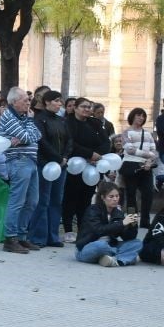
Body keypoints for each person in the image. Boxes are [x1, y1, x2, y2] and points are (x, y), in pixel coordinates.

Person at [0, 87, 42, 254]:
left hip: (30, 160)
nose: (28, 103)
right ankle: (10, 238)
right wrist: (29, 125)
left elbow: (37, 136)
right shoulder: (9, 116)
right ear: (14, 102)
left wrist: (25, 135)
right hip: (18, 161)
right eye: (25, 100)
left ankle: (22, 237)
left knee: (32, 201)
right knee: (17, 201)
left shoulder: (23, 117)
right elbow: (28, 137)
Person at [64, 98, 110, 243]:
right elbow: (71, 143)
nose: (87, 109)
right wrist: (89, 154)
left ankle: (83, 229)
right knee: (71, 198)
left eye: (89, 107)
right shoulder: (68, 122)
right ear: (75, 108)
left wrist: (97, 155)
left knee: (86, 198)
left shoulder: (95, 122)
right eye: (83, 106)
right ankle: (68, 229)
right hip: (75, 165)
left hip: (93, 167)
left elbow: (106, 142)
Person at [31, 90, 69, 248]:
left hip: (61, 166)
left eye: (60, 101)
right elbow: (42, 142)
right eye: (56, 101)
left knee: (56, 200)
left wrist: (65, 156)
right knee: (43, 200)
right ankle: (39, 237)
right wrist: (58, 158)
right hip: (45, 164)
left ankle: (53, 236)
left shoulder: (62, 120)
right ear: (47, 102)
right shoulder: (39, 120)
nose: (59, 104)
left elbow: (70, 140)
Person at [75, 183, 143, 267]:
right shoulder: (92, 210)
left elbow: (128, 237)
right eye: (111, 197)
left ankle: (114, 260)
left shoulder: (118, 213)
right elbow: (98, 230)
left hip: (109, 246)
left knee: (137, 243)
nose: (115, 199)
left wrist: (133, 224)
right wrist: (122, 223)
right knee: (100, 245)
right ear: (103, 197)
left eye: (117, 196)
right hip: (88, 248)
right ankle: (125, 257)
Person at [119, 108, 158, 225]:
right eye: (138, 115)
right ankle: (132, 221)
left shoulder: (148, 133)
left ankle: (145, 221)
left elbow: (154, 151)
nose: (141, 118)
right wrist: (147, 155)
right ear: (132, 116)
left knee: (148, 194)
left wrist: (149, 161)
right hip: (131, 165)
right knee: (131, 194)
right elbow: (130, 149)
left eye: (143, 116)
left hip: (146, 167)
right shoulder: (125, 132)